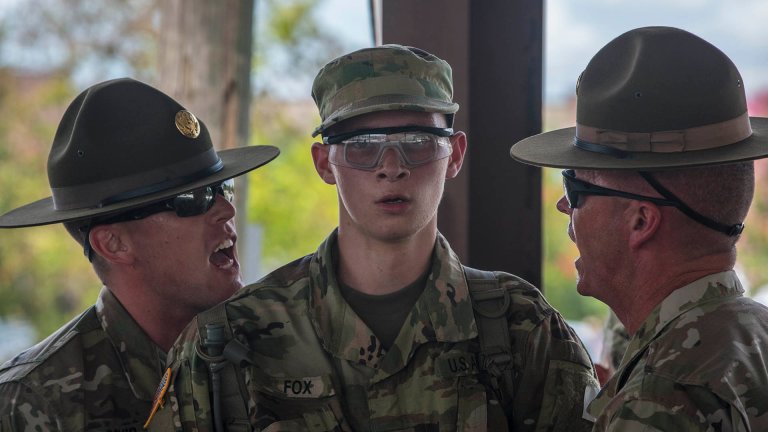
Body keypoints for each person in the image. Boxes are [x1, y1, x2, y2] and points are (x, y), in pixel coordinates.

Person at [153, 44, 600, 432]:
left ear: (454, 155)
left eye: (417, 141)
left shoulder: (521, 328)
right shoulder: (230, 340)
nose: (391, 166)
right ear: (324, 163)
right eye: (362, 144)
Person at [510, 26, 768, 431]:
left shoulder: (659, 398)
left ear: (641, 221)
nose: (564, 206)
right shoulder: (756, 339)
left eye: (575, 188)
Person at [0, 78, 279, 431]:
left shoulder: (281, 352)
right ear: (113, 244)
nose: (226, 210)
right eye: (194, 199)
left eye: (222, 188)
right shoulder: (32, 404)